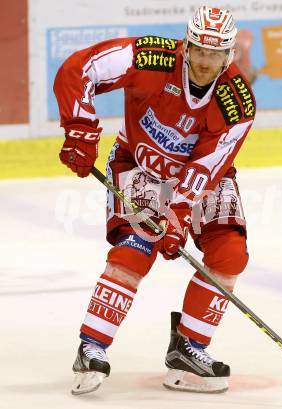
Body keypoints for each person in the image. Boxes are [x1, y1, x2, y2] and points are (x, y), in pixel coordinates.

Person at [54, 5, 256, 395]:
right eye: (198, 50)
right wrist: (79, 128)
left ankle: (189, 350)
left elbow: (208, 166)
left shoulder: (237, 102)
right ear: (186, 44)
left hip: (201, 177)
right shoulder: (151, 57)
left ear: (228, 54)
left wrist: (177, 213)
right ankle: (92, 345)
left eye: (215, 54)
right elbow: (79, 68)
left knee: (230, 253)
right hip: (139, 165)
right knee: (136, 248)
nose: (204, 61)